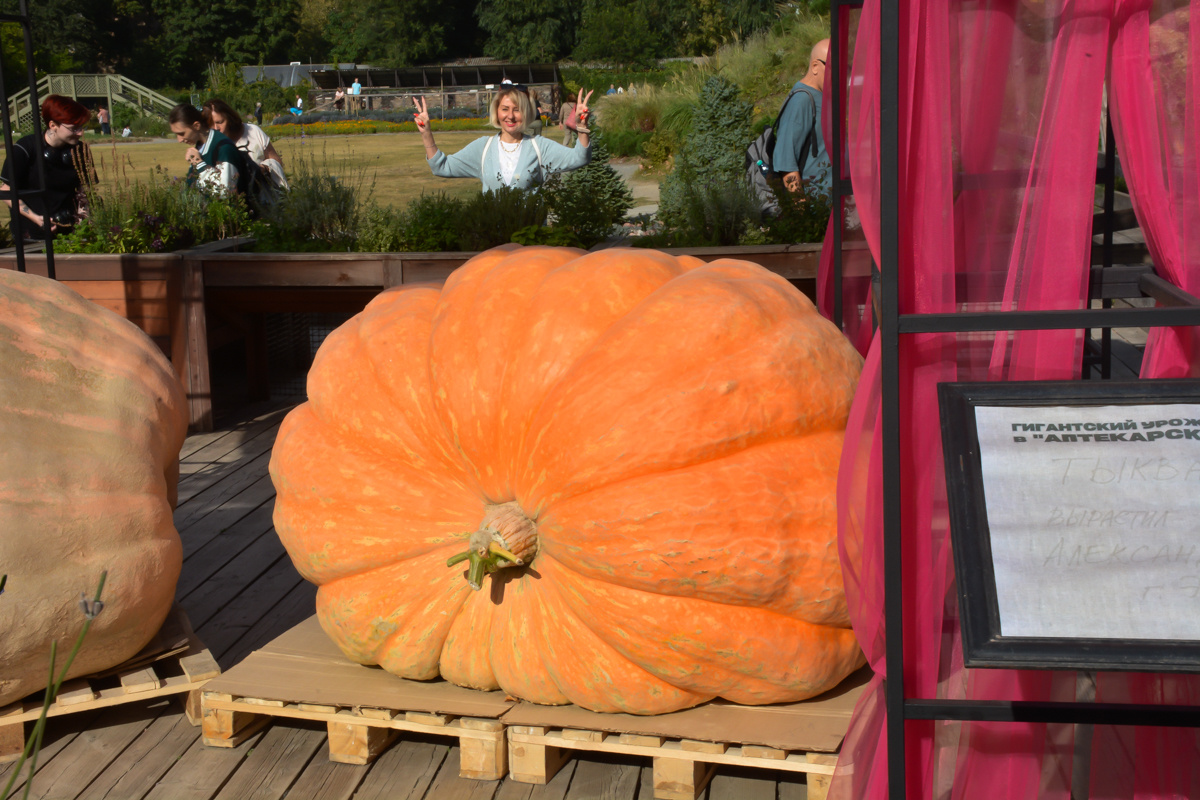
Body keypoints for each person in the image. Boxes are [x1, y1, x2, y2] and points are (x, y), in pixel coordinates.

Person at [415, 85, 593, 192]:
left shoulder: (539, 147)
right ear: (497, 112)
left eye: (517, 109)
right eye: (505, 109)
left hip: (530, 243)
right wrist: (426, 133)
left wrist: (582, 126)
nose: (511, 116)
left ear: (526, 113)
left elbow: (579, 158)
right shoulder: (483, 148)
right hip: (493, 243)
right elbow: (442, 167)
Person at [0, 94, 94, 240]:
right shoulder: (25, 148)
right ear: (52, 125)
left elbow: (85, 190)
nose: (80, 133)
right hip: (31, 234)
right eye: (74, 128)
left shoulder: (80, 151)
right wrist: (36, 218)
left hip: (72, 232)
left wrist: (84, 221)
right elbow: (6, 191)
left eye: (82, 127)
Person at [774, 38, 831, 199]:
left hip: (833, 212)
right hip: (815, 213)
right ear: (815, 66)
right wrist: (802, 215)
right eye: (834, 68)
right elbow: (786, 163)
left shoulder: (824, 95)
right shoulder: (801, 101)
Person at [202, 98, 288, 191]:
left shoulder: (253, 131)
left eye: (220, 122)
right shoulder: (209, 145)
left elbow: (276, 160)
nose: (216, 128)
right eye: (211, 124)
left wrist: (263, 168)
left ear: (230, 119)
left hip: (265, 198)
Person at [168, 103, 248, 197]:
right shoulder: (200, 146)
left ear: (196, 126)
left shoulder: (224, 148)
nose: (179, 140)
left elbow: (224, 191)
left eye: (182, 133)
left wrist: (199, 163)